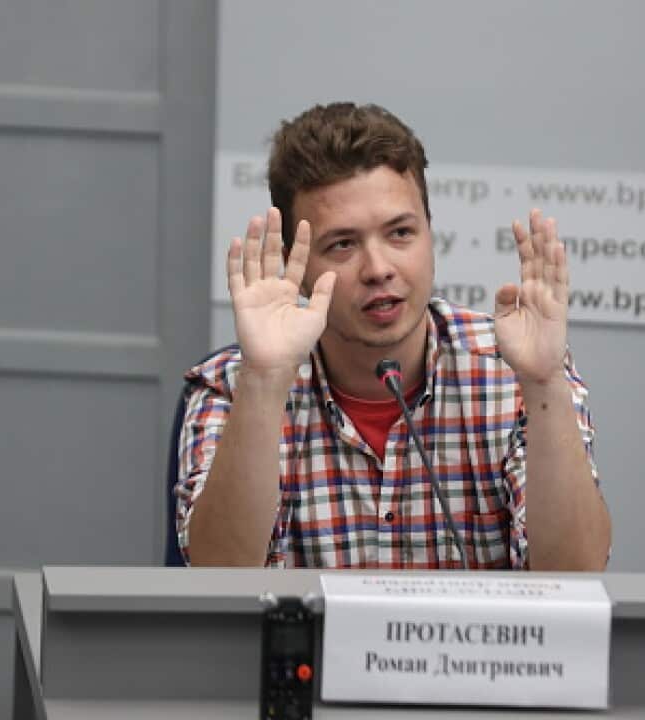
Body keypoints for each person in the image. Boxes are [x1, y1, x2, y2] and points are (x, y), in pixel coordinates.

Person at [176, 102, 611, 570]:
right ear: (295, 267)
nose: (379, 269)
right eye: (342, 244)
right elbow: (216, 577)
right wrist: (263, 382)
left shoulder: (514, 372)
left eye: (401, 233)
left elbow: (576, 575)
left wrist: (545, 382)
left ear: (430, 234)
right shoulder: (232, 385)